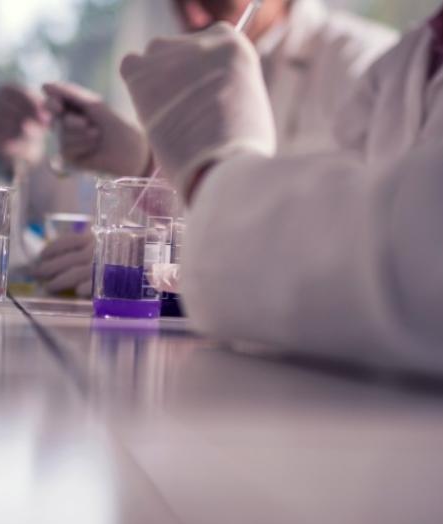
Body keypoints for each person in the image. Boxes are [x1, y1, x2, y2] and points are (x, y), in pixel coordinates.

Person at [117, 4, 443, 368]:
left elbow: (416, 263)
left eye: (216, 0)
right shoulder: (409, 58)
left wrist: (215, 179)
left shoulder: (359, 54)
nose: (193, 18)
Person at [36, 0, 398, 296]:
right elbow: (211, 205)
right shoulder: (198, 57)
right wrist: (140, 158)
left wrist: (168, 263)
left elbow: (352, 247)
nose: (192, 16)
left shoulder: (365, 63)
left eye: (215, 1)